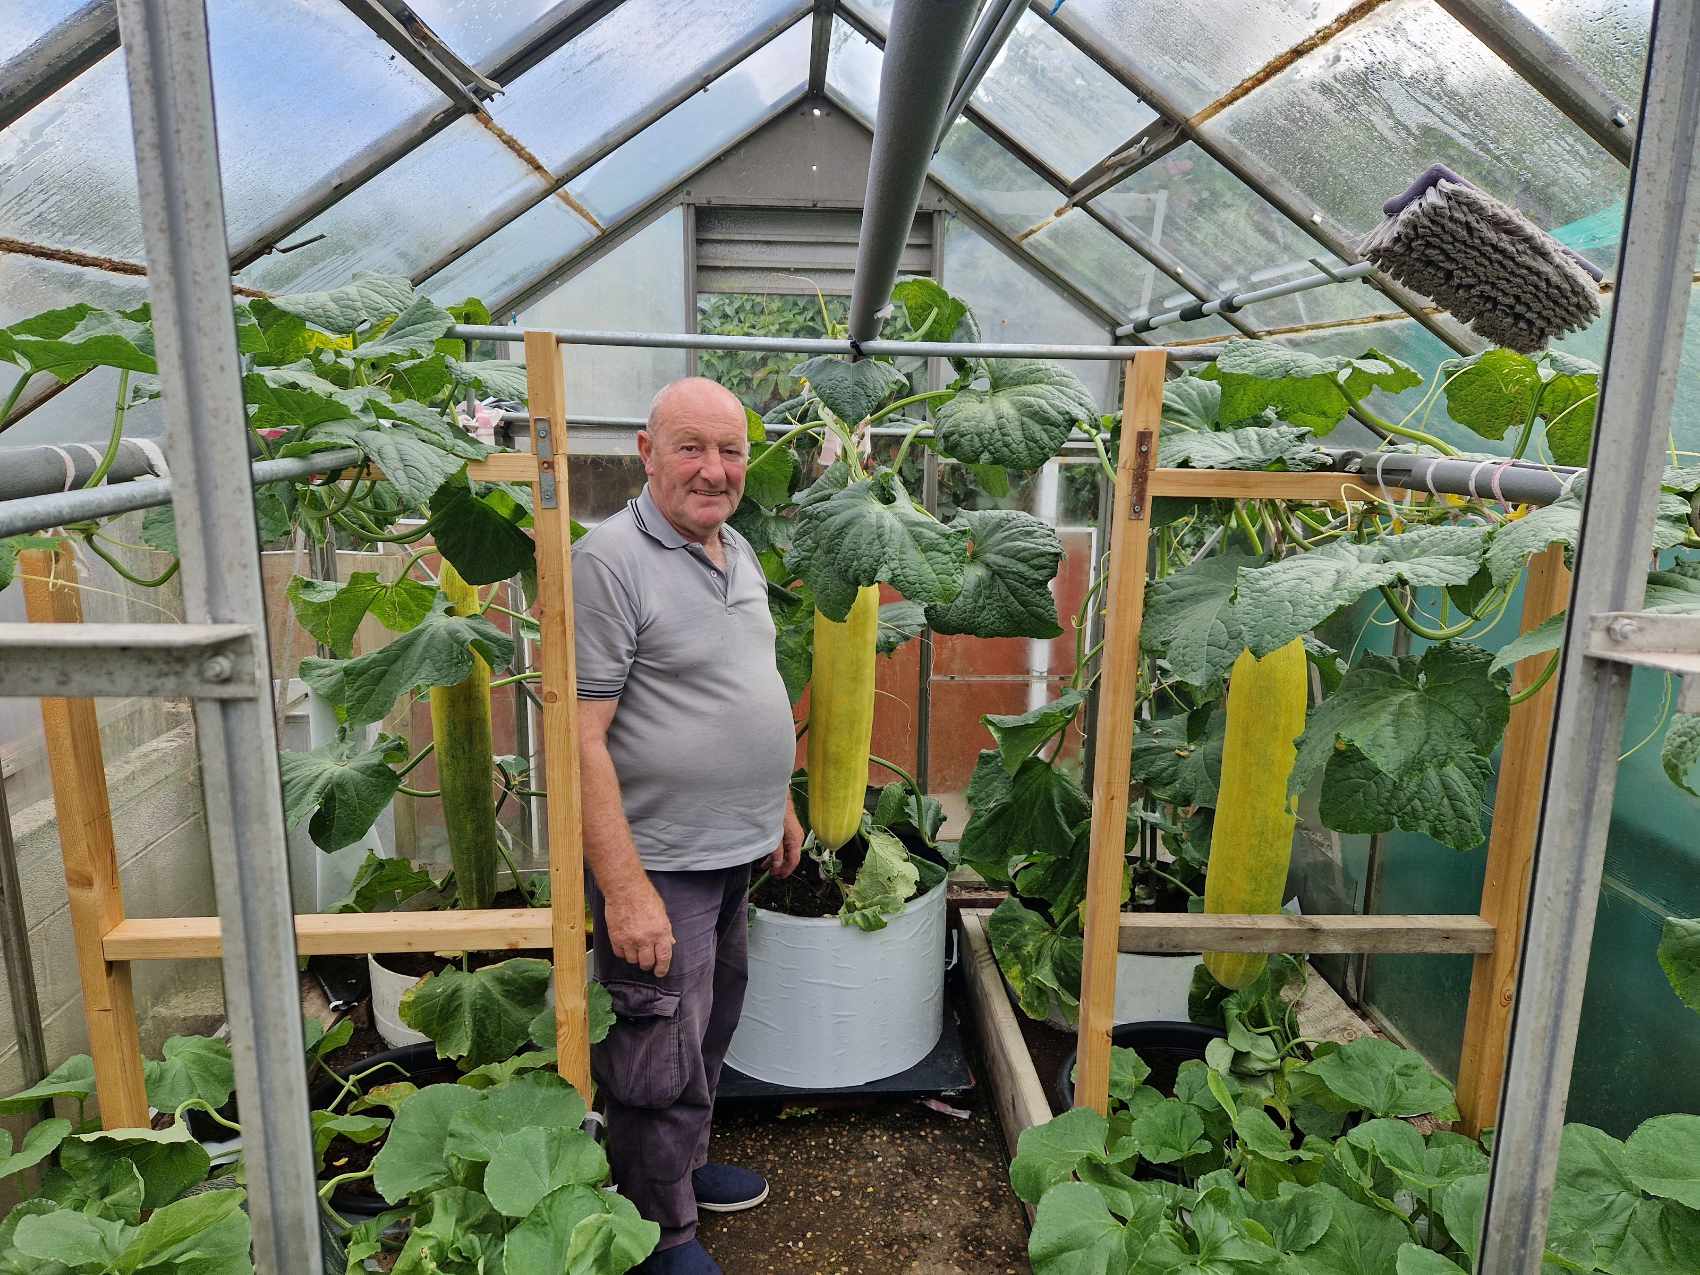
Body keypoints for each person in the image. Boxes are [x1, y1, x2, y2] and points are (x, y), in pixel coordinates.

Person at [572, 377, 805, 1274]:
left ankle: (685, 1169)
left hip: (734, 846)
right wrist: (624, 886)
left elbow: (742, 682)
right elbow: (583, 738)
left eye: (732, 450)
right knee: (654, 1048)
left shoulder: (733, 546)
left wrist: (775, 798)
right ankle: (658, 1231)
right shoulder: (611, 559)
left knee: (707, 1024)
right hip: (660, 858)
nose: (714, 470)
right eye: (690, 448)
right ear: (645, 451)